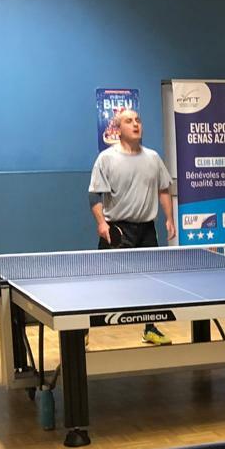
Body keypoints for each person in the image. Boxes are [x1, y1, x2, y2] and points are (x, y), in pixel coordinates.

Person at [89, 108, 176, 345]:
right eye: (129, 121)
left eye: (138, 120)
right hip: (117, 231)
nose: (136, 124)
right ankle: (81, 329)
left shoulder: (153, 158)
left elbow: (163, 189)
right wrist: (101, 223)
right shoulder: (106, 158)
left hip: (146, 229)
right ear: (118, 129)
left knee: (151, 282)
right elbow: (94, 195)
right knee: (100, 281)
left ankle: (150, 329)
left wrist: (169, 218)